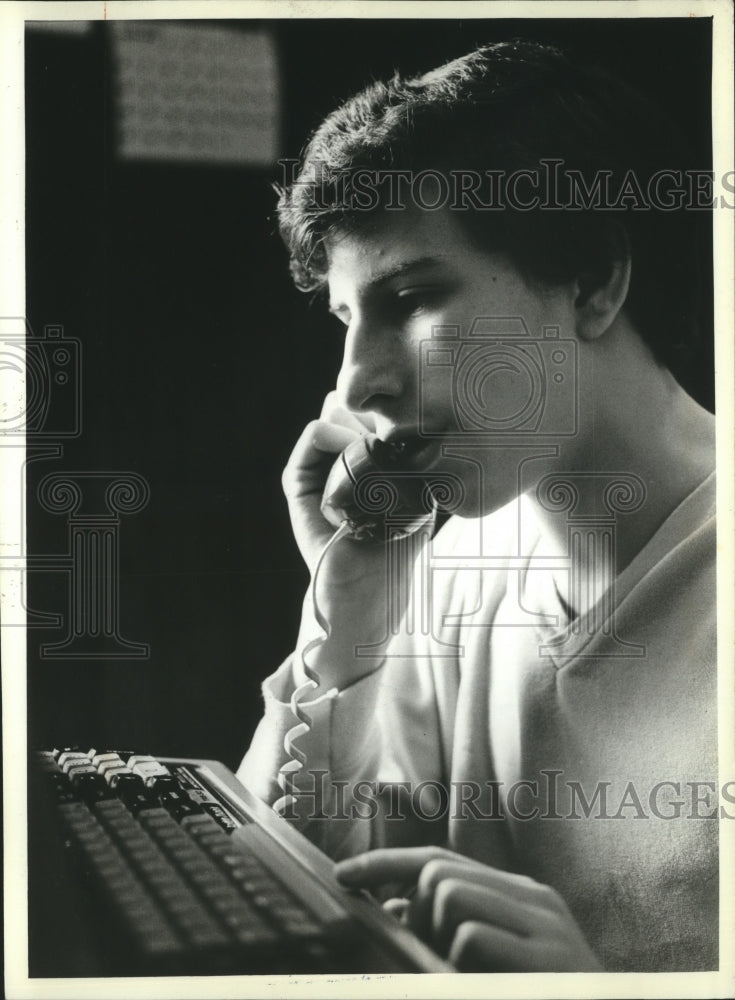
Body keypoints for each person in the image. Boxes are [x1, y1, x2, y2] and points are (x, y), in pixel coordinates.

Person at [237, 40, 717, 972]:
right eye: (346, 321)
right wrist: (347, 620)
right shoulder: (445, 574)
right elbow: (263, 912)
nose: (356, 383)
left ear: (591, 281)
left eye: (411, 297)